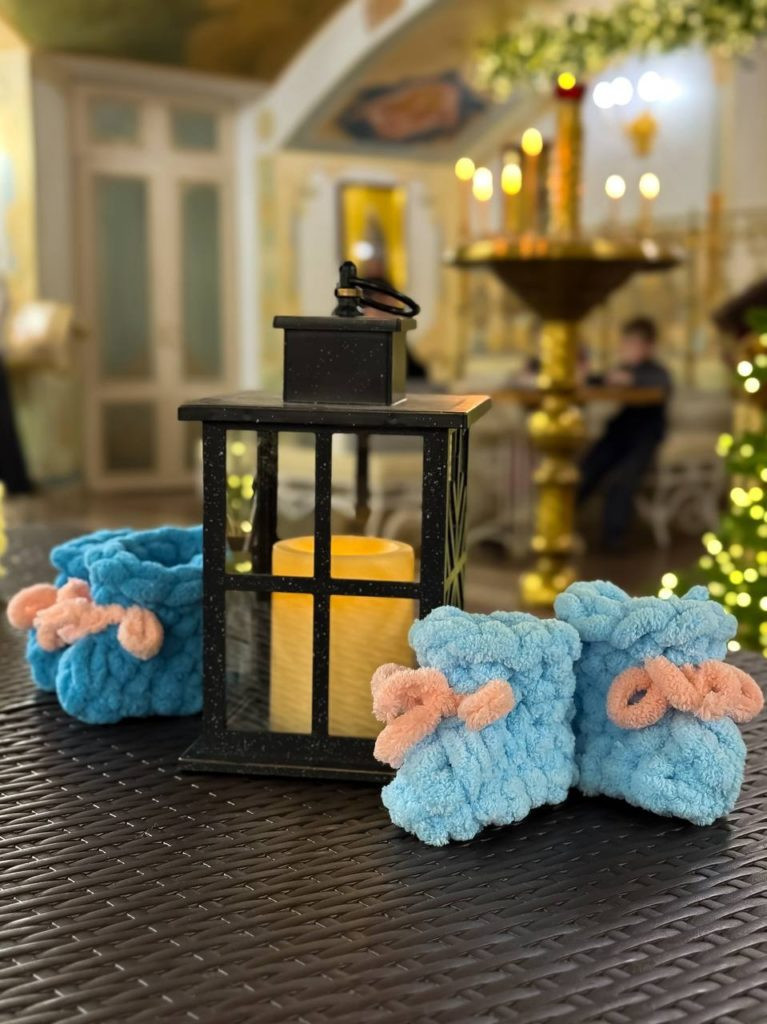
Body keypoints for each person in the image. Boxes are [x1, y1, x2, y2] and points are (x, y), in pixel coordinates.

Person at [577, 316, 671, 550]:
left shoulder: (656, 373)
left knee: (622, 479)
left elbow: (660, 386)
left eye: (632, 343)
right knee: (584, 470)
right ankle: (560, 524)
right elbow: (600, 380)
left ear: (648, 347)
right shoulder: (621, 371)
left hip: (644, 437)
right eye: (625, 343)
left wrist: (629, 378)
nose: (626, 348)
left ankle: (613, 538)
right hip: (618, 434)